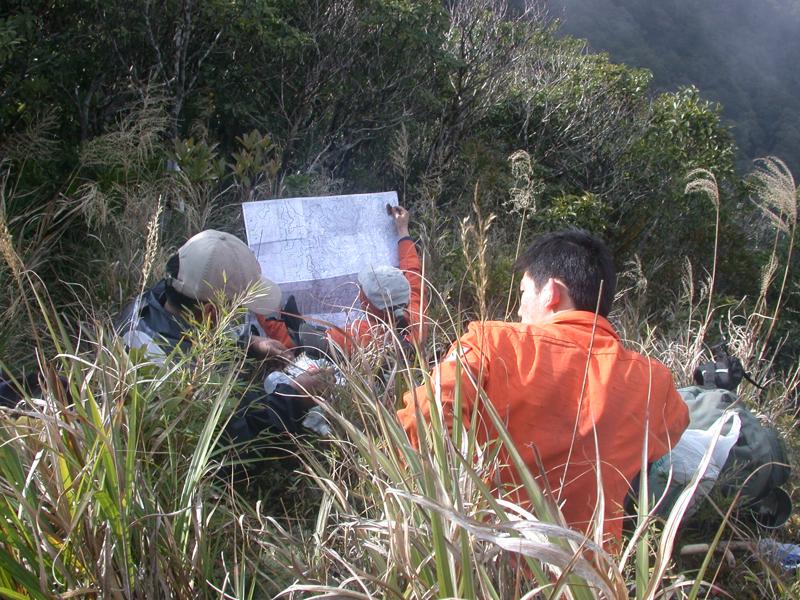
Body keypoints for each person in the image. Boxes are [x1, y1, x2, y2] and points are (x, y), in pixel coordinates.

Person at [397, 228, 689, 544]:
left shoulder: (491, 343)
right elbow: (671, 432)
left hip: (488, 557)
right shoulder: (654, 382)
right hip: (589, 570)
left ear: (551, 292)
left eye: (523, 293)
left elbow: (424, 414)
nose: (519, 310)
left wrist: (460, 494)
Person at [116, 229, 328, 441]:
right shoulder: (166, 373)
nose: (241, 315)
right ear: (211, 311)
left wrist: (249, 343)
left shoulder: (169, 294)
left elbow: (200, 327)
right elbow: (230, 442)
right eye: (239, 309)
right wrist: (294, 397)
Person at [325, 205, 427, 356]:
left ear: (367, 306)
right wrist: (403, 229)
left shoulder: (360, 335)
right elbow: (413, 272)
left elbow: (310, 338)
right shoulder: (416, 319)